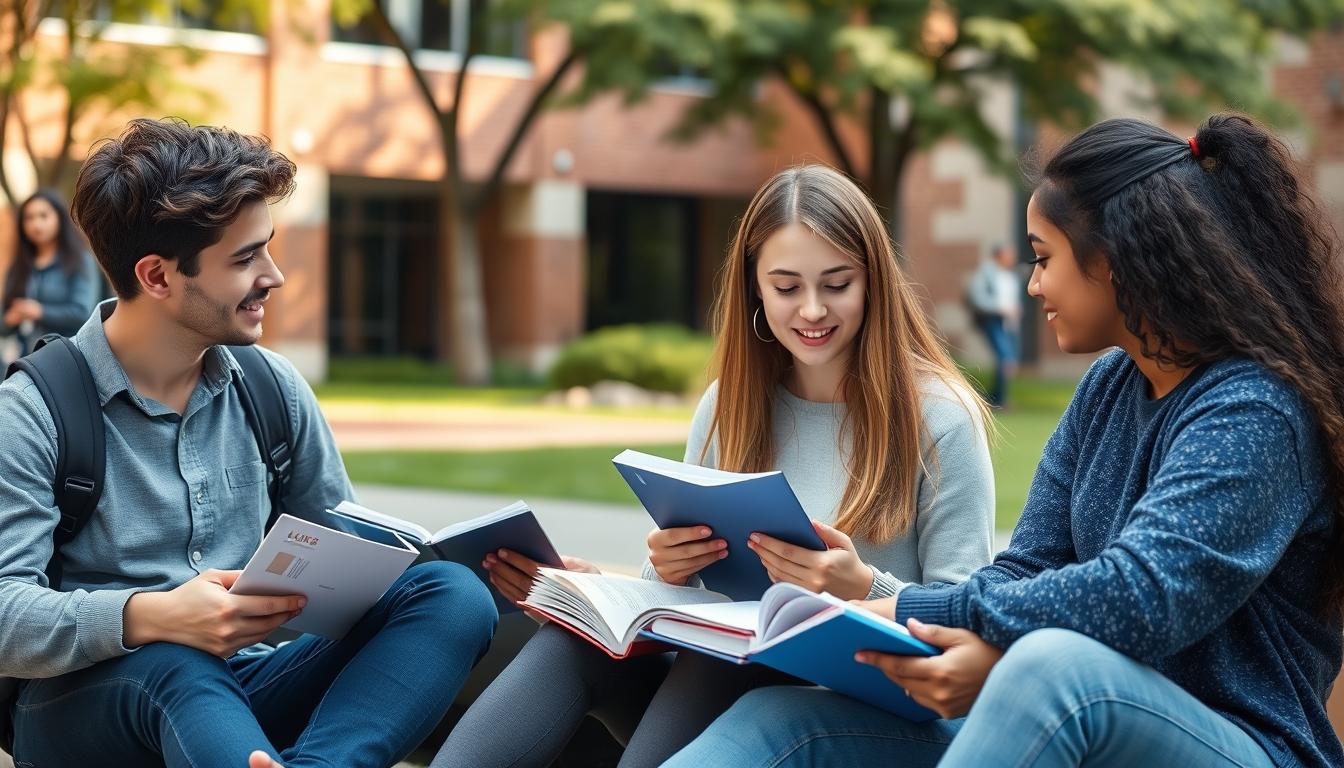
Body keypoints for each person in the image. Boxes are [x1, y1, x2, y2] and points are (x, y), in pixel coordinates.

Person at [664, 112, 1344, 768]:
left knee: (1054, 668)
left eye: (1045, 257)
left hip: (1237, 741)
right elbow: (1028, 566)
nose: (1033, 283)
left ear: (1117, 260)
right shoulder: (1111, 385)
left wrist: (906, 605)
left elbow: (1141, 597)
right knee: (782, 721)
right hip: (1076, 710)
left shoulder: (1254, 411)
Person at [430, 164, 996, 768]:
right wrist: (644, 578)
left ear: (874, 283)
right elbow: (689, 605)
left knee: (726, 658)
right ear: (754, 286)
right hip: (726, 675)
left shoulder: (939, 418)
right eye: (786, 287)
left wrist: (861, 587)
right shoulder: (731, 405)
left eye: (837, 284)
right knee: (576, 643)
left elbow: (965, 623)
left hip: (873, 709)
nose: (811, 310)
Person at [0, 118, 498, 768]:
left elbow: (348, 561)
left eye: (266, 248)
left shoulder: (271, 388)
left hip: (249, 683)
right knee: (177, 665)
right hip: (88, 705)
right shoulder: (34, 408)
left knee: (451, 595)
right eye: (245, 259)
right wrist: (153, 615)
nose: (275, 276)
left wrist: (484, 563)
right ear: (156, 276)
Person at [1, 189, 100, 361]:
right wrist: (11, 319)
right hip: (23, 359)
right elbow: (4, 323)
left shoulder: (80, 261)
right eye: (29, 218)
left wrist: (38, 311)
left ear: (59, 218)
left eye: (43, 216)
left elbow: (82, 312)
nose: (36, 224)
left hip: (66, 357)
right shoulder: (19, 267)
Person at [965, 242, 1022, 406]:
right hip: (993, 321)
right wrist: (1000, 308)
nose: (1012, 258)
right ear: (999, 256)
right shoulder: (986, 273)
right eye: (1009, 254)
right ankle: (999, 398)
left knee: (1006, 360)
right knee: (1006, 359)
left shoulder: (1011, 275)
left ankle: (997, 397)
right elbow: (978, 298)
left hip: (1009, 323)